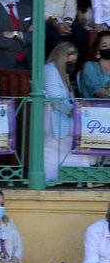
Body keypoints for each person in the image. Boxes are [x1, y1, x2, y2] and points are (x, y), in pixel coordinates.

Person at [45, 42, 92, 180]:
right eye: (69, 60)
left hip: (64, 117)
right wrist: (76, 111)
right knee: (89, 129)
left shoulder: (60, 73)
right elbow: (57, 101)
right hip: (56, 118)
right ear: (61, 57)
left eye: (74, 62)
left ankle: (86, 172)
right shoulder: (49, 71)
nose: (71, 64)